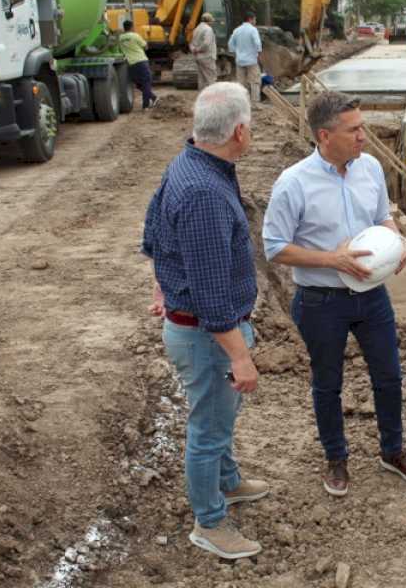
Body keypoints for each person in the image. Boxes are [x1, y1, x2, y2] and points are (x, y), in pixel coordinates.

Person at [262, 91, 406, 498]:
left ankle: (393, 451)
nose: (363, 136)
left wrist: (397, 243)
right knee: (327, 384)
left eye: (363, 127)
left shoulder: (369, 167)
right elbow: (274, 246)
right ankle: (336, 458)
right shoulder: (294, 183)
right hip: (321, 301)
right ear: (324, 135)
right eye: (354, 129)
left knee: (389, 376)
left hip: (372, 296)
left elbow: (382, 216)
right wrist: (331, 260)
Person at [142, 82, 268, 560]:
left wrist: (161, 283)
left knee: (220, 415)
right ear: (238, 131)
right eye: (250, 126)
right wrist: (241, 356)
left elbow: (154, 229)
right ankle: (209, 521)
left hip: (196, 324)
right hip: (206, 334)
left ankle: (229, 481)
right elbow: (214, 299)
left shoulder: (194, 163)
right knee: (209, 427)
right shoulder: (205, 192)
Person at [120, 19, 158, 109]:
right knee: (146, 82)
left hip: (131, 63)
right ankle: (145, 106)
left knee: (139, 84)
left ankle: (153, 97)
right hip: (141, 61)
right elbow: (146, 46)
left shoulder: (121, 38)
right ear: (132, 27)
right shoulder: (135, 36)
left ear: (124, 27)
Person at [229, 12, 263, 103]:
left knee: (241, 83)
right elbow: (257, 43)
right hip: (251, 60)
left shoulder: (237, 30)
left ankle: (243, 102)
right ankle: (255, 102)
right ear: (250, 19)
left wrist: (236, 53)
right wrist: (259, 54)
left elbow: (230, 44)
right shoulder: (253, 30)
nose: (255, 21)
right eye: (255, 19)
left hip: (240, 60)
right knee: (255, 81)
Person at [190, 12, 218, 91]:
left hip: (198, 57)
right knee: (211, 78)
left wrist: (194, 50)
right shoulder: (208, 29)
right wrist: (199, 49)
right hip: (207, 56)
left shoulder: (196, 29)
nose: (212, 22)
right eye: (211, 21)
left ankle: (202, 97)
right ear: (208, 20)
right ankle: (212, 98)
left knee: (201, 79)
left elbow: (192, 43)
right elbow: (206, 44)